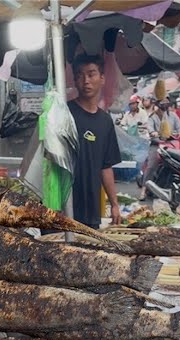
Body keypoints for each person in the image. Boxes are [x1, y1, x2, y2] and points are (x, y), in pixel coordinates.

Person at [67, 55, 123, 228]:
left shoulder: (105, 121)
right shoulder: (65, 114)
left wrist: (114, 204)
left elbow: (106, 166)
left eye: (91, 74)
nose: (86, 81)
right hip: (64, 206)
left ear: (102, 78)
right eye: (80, 75)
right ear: (75, 80)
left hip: (91, 208)